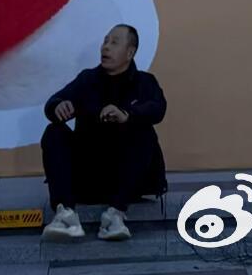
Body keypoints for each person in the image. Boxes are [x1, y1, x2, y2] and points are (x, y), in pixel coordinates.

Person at [37, 24, 167, 242]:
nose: (106, 47)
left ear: (130, 53)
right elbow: (54, 101)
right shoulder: (87, 79)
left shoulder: (145, 82)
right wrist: (58, 106)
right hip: (88, 175)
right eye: (105, 41)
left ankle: (115, 215)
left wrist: (126, 115)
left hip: (127, 181)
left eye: (114, 42)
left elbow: (157, 109)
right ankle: (66, 215)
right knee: (54, 132)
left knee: (144, 132)